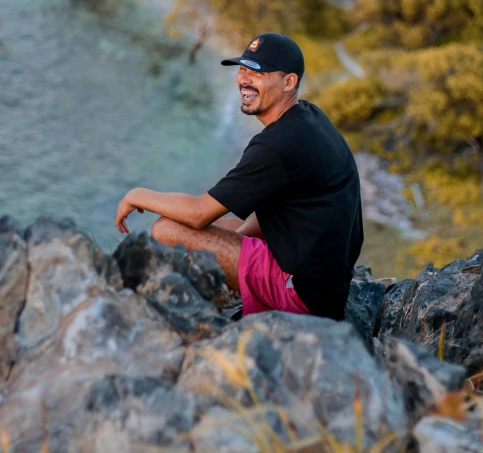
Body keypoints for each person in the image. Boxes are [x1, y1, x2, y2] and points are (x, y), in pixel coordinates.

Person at [115, 32, 363, 319]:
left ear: (289, 82)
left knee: (167, 228)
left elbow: (198, 214)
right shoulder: (308, 118)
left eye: (257, 72)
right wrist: (231, 241)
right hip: (325, 283)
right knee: (228, 224)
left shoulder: (277, 145)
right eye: (243, 69)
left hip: (301, 295)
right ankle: (232, 284)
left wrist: (137, 195)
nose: (244, 79)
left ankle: (224, 297)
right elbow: (280, 202)